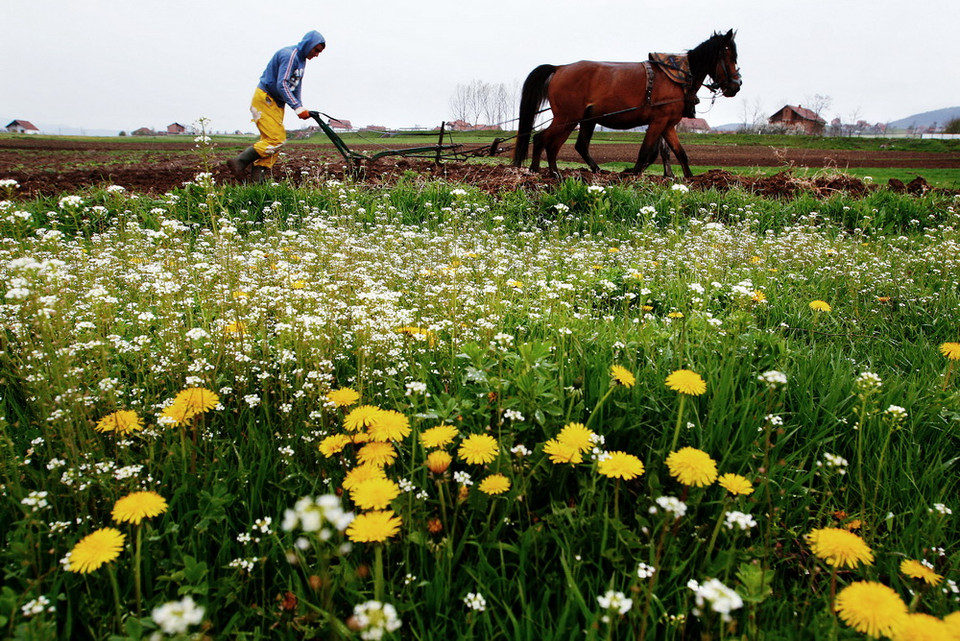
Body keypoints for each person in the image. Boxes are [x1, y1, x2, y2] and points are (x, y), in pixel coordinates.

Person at [227, 30, 326, 182]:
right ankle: (239, 162)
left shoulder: (301, 60)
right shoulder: (290, 55)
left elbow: (296, 85)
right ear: (308, 44)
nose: (317, 55)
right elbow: (282, 83)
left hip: (276, 103)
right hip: (266, 98)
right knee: (276, 140)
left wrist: (300, 106)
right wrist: (296, 107)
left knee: (272, 145)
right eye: (316, 50)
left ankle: (257, 183)